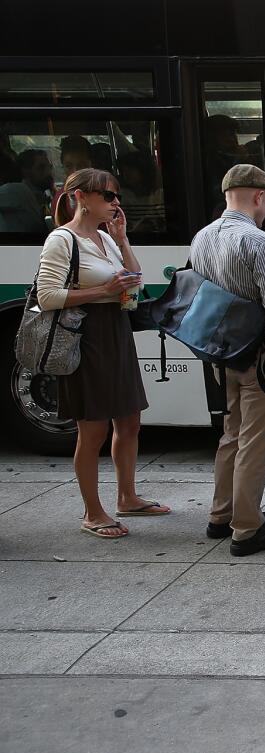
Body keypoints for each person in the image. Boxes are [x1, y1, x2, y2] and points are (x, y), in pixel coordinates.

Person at [37, 168, 166, 539]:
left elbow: (135, 276)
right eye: (108, 196)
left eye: (116, 196)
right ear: (81, 197)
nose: (116, 203)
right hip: (86, 335)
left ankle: (127, 497)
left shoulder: (106, 237)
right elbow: (47, 297)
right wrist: (103, 290)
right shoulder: (62, 240)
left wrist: (122, 241)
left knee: (129, 421)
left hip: (115, 332)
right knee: (91, 429)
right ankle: (93, 511)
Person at [191, 164, 265, 556]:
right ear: (257, 197)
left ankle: (222, 515)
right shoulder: (262, 243)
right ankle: (247, 528)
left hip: (224, 353)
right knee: (256, 440)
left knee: (232, 433)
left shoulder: (201, 239)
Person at [0, 149, 53, 234]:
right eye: (41, 168)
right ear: (26, 171)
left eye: (49, 167)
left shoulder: (47, 195)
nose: (48, 173)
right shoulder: (17, 194)